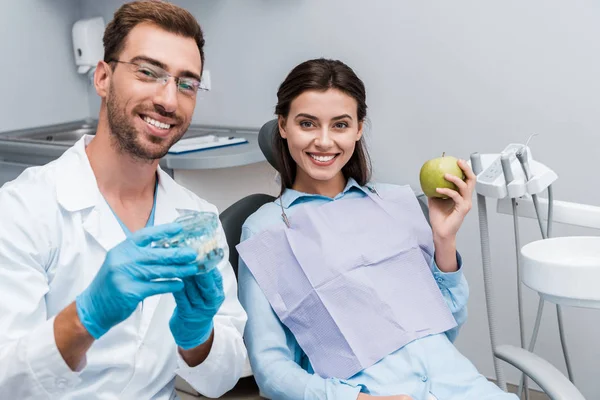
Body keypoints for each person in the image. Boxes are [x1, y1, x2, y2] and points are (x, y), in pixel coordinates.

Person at [0, 1, 247, 398]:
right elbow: (7, 382)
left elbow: (221, 380)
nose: (169, 100)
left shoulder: (198, 216)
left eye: (187, 84)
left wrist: (198, 336)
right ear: (102, 77)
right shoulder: (22, 211)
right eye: (148, 72)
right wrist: (84, 319)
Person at [237, 58, 518, 400]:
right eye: (307, 123)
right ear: (283, 126)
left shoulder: (394, 202)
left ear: (358, 128)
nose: (324, 141)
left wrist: (444, 239)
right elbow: (270, 370)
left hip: (462, 385)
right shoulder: (265, 230)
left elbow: (446, 327)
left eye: (340, 125)